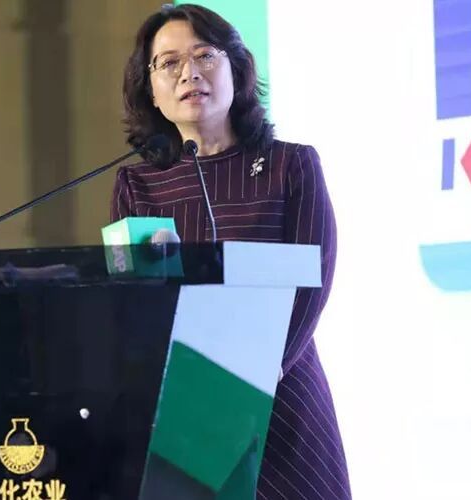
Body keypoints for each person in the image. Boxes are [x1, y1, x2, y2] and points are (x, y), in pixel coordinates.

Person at [111, 4, 349, 499]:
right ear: (151, 89)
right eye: (169, 63)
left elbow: (313, 280)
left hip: (283, 394)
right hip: (185, 410)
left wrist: (255, 378)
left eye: (204, 55)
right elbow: (130, 298)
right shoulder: (137, 184)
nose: (189, 73)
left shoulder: (290, 166)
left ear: (236, 70)